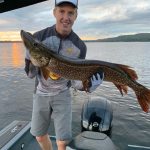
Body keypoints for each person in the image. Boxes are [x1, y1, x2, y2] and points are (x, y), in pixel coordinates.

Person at [24, 0, 104, 150]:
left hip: (63, 94)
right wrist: (32, 59)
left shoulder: (80, 46)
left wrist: (89, 85)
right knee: (39, 135)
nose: (66, 17)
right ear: (54, 12)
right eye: (62, 11)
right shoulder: (39, 37)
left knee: (63, 141)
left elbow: (75, 81)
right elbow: (30, 74)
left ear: (76, 16)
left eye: (70, 13)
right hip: (41, 93)